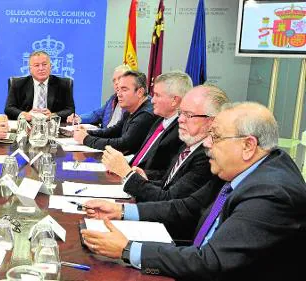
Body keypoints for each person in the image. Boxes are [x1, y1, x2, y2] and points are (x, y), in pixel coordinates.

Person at [80, 102, 306, 281]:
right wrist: (121, 211)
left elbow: (212, 261)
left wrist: (128, 249)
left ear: (248, 146)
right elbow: (187, 208)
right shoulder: (240, 170)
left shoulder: (271, 195)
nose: (207, 143)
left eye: (216, 136)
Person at [102, 85, 228, 203]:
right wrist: (144, 175)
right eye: (181, 113)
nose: (180, 119)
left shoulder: (207, 156)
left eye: (188, 115)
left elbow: (169, 199)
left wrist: (127, 173)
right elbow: (169, 182)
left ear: (211, 122)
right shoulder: (190, 142)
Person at [106, 71, 192, 180]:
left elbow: (169, 175)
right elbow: (143, 156)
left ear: (174, 100)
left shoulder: (181, 132)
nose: (152, 100)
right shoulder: (159, 120)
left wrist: (132, 172)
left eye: (157, 95)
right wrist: (122, 165)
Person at [73, 71, 157, 154]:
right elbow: (115, 131)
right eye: (118, 90)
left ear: (140, 92)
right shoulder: (132, 108)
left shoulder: (146, 114)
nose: (118, 94)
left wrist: (86, 139)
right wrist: (87, 133)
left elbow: (123, 144)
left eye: (124, 90)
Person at [5, 50, 75, 121]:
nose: (41, 68)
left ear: (51, 66)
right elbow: (9, 109)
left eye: (44, 64)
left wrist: (53, 115)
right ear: (30, 69)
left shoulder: (64, 84)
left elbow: (70, 110)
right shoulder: (17, 84)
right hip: (27, 125)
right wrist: (24, 114)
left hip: (52, 126)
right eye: (36, 65)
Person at [66, 64, 131, 128]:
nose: (116, 83)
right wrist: (79, 118)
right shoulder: (113, 99)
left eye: (119, 78)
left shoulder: (132, 104)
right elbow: (96, 115)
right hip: (104, 135)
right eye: (114, 80)